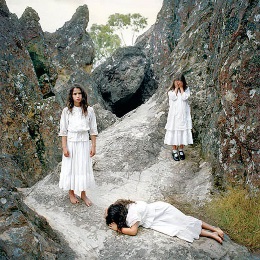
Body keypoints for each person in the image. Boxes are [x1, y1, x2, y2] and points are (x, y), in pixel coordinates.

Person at [105, 199, 224, 244]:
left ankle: (214, 229)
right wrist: (108, 213)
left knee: (185, 221)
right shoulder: (125, 206)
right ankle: (212, 234)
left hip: (162, 213)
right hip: (158, 215)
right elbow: (108, 210)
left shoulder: (132, 216)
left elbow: (133, 231)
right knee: (181, 228)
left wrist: (118, 229)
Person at [59, 83, 98, 206]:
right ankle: (71, 193)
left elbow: (93, 130)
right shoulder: (67, 111)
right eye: (75, 94)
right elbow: (63, 131)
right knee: (71, 167)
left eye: (79, 93)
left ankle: (83, 194)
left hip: (84, 143)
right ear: (71, 96)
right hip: (71, 143)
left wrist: (93, 146)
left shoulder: (89, 110)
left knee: (83, 167)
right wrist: (64, 147)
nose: (78, 96)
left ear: (83, 95)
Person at [164, 74, 193, 161]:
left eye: (180, 81)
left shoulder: (186, 90)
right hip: (174, 116)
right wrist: (176, 88)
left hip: (183, 115)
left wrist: (181, 88)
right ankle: (174, 150)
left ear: (183, 82)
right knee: (174, 131)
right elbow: (173, 97)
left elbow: (185, 97)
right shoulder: (171, 91)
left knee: (182, 131)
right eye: (176, 81)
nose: (178, 82)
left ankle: (181, 149)